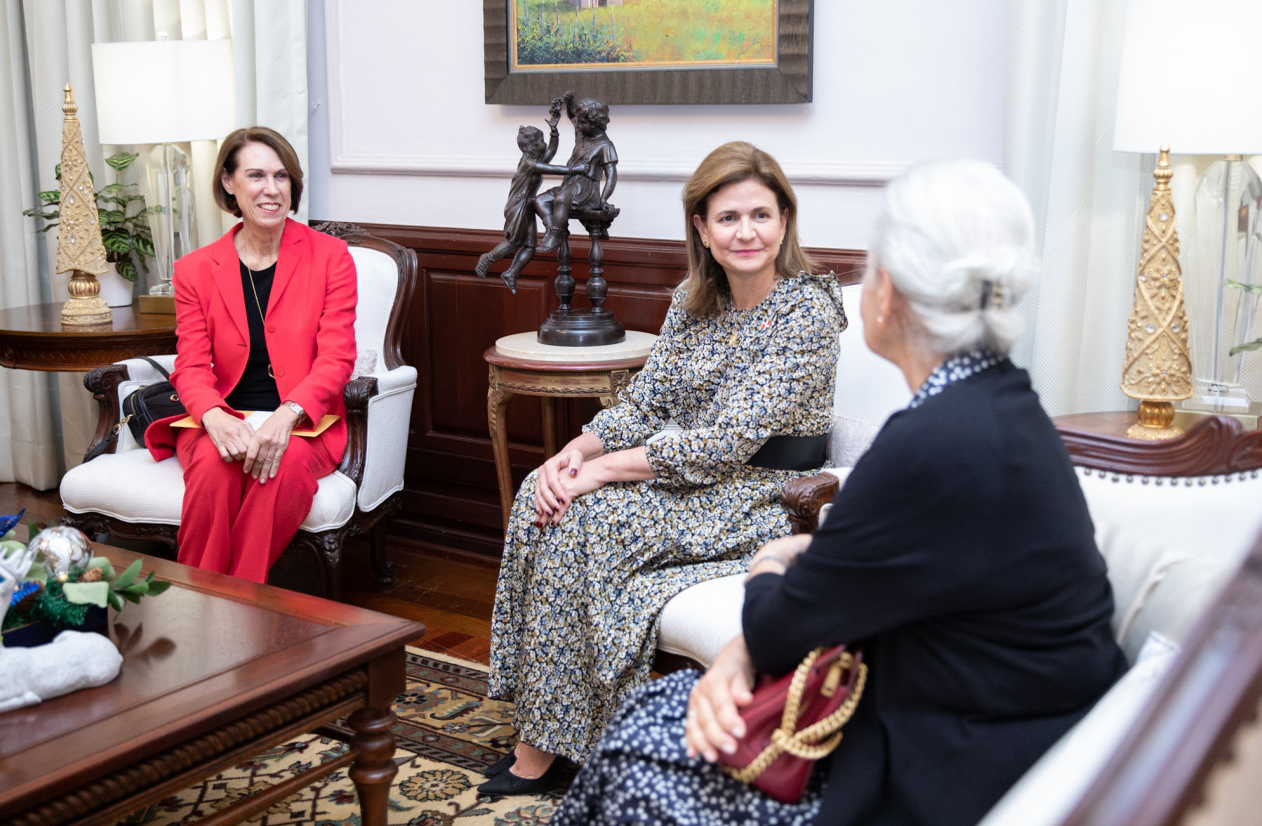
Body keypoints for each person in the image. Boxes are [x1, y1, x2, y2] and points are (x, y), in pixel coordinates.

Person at [550, 159, 1129, 826]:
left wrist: (772, 558)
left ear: (891, 293)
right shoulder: (1001, 406)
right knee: (654, 716)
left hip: (959, 763)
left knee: (638, 755)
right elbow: (868, 578)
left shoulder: (927, 447)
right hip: (1002, 724)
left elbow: (780, 626)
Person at [483, 141, 846, 795]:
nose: (746, 232)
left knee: (589, 516)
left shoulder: (808, 310)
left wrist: (605, 473)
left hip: (765, 494)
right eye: (728, 218)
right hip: (690, 479)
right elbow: (647, 404)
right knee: (543, 486)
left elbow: (726, 443)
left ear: (785, 221)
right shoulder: (692, 300)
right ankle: (543, 713)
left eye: (761, 215)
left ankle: (560, 745)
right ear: (702, 230)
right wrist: (578, 452)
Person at [143, 126, 357, 583]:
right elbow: (192, 365)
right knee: (213, 467)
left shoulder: (331, 257)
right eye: (256, 175)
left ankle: (231, 602)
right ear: (228, 182)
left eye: (281, 176)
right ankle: (201, 598)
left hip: (304, 424)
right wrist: (214, 417)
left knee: (279, 467)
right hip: (225, 416)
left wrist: (287, 416)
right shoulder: (194, 270)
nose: (271, 189)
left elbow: (337, 358)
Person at [475, 94, 593, 292]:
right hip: (518, 205)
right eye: (541, 140)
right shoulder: (529, 163)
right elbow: (553, 169)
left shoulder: (535, 159)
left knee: (530, 247)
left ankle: (511, 273)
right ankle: (487, 259)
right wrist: (576, 169)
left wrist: (554, 132)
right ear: (532, 146)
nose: (544, 143)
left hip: (527, 204)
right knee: (514, 243)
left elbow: (551, 153)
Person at [533, 94, 618, 255]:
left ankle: (555, 235)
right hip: (570, 185)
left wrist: (604, 198)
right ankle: (552, 229)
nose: (578, 125)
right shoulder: (582, 136)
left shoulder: (605, 146)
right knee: (540, 200)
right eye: (579, 122)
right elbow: (573, 116)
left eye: (583, 122)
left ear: (595, 123)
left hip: (587, 190)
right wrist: (569, 102)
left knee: (561, 199)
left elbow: (612, 175)